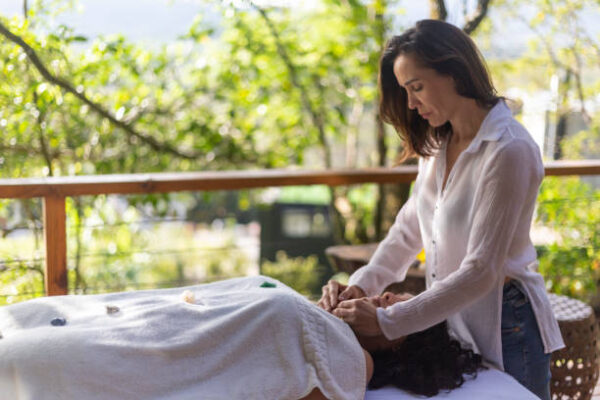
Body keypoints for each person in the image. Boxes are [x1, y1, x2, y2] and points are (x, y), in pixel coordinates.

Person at [318, 19, 564, 400]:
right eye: (405, 91)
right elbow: (408, 231)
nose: (412, 104)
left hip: (507, 320)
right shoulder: (437, 145)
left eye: (416, 87)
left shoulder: (508, 149)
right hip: (453, 312)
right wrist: (359, 288)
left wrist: (387, 320)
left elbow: (482, 270)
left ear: (454, 71)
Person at [0, 275, 483, 400]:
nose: (380, 298)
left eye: (392, 305)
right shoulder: (332, 326)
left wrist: (325, 325)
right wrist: (323, 312)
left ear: (401, 338)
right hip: (123, 320)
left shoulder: (360, 367)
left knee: (20, 359)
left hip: (129, 357)